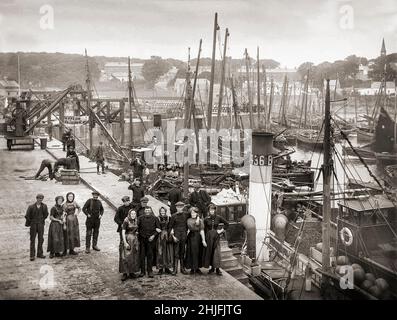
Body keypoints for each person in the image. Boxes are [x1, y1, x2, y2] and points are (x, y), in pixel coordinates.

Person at [202, 204, 229, 275]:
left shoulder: (218, 217)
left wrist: (221, 231)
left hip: (216, 236)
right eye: (210, 210)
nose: (212, 211)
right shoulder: (206, 219)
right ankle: (212, 268)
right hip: (208, 237)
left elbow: (227, 224)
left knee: (216, 253)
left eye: (213, 209)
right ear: (208, 210)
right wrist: (204, 239)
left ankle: (217, 269)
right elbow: (203, 229)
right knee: (210, 252)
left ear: (215, 210)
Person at [137, 207, 161, 278]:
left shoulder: (155, 218)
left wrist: (153, 236)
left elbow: (158, 228)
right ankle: (142, 271)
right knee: (142, 255)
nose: (147, 211)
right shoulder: (140, 218)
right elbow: (137, 227)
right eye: (146, 210)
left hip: (151, 240)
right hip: (142, 239)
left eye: (149, 210)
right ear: (144, 211)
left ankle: (150, 271)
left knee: (150, 255)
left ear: (151, 211)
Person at [25, 193, 49, 261]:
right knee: (32, 240)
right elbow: (27, 216)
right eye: (39, 198)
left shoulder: (44, 206)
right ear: (36, 198)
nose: (40, 200)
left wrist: (41, 220)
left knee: (41, 239)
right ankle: (32, 255)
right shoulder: (31, 207)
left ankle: (39, 253)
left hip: (41, 224)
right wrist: (32, 222)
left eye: (41, 199)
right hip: (33, 225)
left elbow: (46, 214)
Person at [115, 196, 134, 279]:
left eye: (128, 201)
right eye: (125, 201)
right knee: (124, 250)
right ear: (123, 202)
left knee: (132, 251)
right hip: (123, 231)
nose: (127, 202)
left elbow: (135, 218)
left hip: (132, 232)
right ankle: (124, 271)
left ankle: (132, 270)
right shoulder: (120, 209)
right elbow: (116, 218)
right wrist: (121, 223)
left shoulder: (132, 208)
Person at [184, 207, 207, 274]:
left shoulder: (200, 220)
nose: (193, 214)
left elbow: (202, 230)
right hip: (191, 236)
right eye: (192, 213)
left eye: (194, 212)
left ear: (197, 213)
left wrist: (203, 240)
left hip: (198, 237)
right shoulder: (188, 220)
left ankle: (197, 268)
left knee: (198, 252)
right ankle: (192, 268)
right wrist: (197, 221)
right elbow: (190, 227)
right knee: (191, 252)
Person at [168, 201, 189, 275]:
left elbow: (194, 214)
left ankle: (182, 269)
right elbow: (170, 227)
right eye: (178, 207)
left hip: (184, 235)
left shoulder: (186, 214)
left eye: (181, 207)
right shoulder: (173, 216)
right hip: (176, 236)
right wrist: (173, 236)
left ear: (183, 207)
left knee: (182, 252)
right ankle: (175, 269)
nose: (179, 208)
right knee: (176, 253)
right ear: (176, 207)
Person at [120, 209, 140, 281]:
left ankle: (132, 272)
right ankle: (125, 273)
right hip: (128, 239)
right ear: (129, 214)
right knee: (125, 256)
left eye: (134, 214)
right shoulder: (126, 221)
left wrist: (136, 233)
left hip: (134, 240)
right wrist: (125, 242)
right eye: (132, 214)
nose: (133, 215)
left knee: (133, 256)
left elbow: (136, 229)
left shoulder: (136, 220)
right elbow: (123, 232)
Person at [156, 207, 173, 275]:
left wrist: (170, 232)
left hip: (167, 236)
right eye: (161, 211)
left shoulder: (169, 217)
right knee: (160, 251)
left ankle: (167, 267)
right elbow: (156, 226)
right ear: (160, 211)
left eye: (163, 211)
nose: (162, 212)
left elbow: (170, 226)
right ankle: (160, 268)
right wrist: (157, 229)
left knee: (167, 251)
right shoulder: (157, 218)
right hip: (160, 236)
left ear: (165, 211)